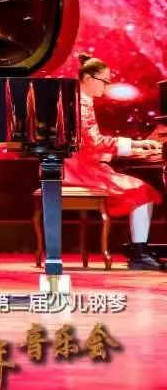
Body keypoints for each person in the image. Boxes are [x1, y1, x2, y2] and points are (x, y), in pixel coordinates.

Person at [64, 53, 163, 270]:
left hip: (80, 164)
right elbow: (95, 143)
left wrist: (134, 148)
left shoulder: (79, 100)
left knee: (141, 189)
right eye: (104, 81)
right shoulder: (81, 104)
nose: (106, 87)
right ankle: (138, 254)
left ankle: (139, 250)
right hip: (80, 169)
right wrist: (136, 145)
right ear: (88, 79)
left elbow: (92, 144)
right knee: (141, 190)